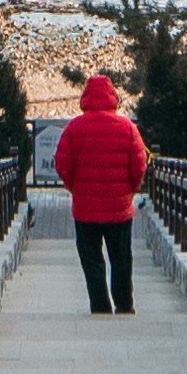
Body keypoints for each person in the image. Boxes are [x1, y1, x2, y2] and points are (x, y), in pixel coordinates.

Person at [54, 71, 147, 315]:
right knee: (121, 259)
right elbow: (140, 164)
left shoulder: (74, 128)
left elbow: (62, 164)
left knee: (92, 260)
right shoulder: (127, 127)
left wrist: (74, 186)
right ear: (112, 97)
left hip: (85, 209)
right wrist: (131, 188)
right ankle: (124, 304)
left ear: (85, 98)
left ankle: (100, 305)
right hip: (119, 208)